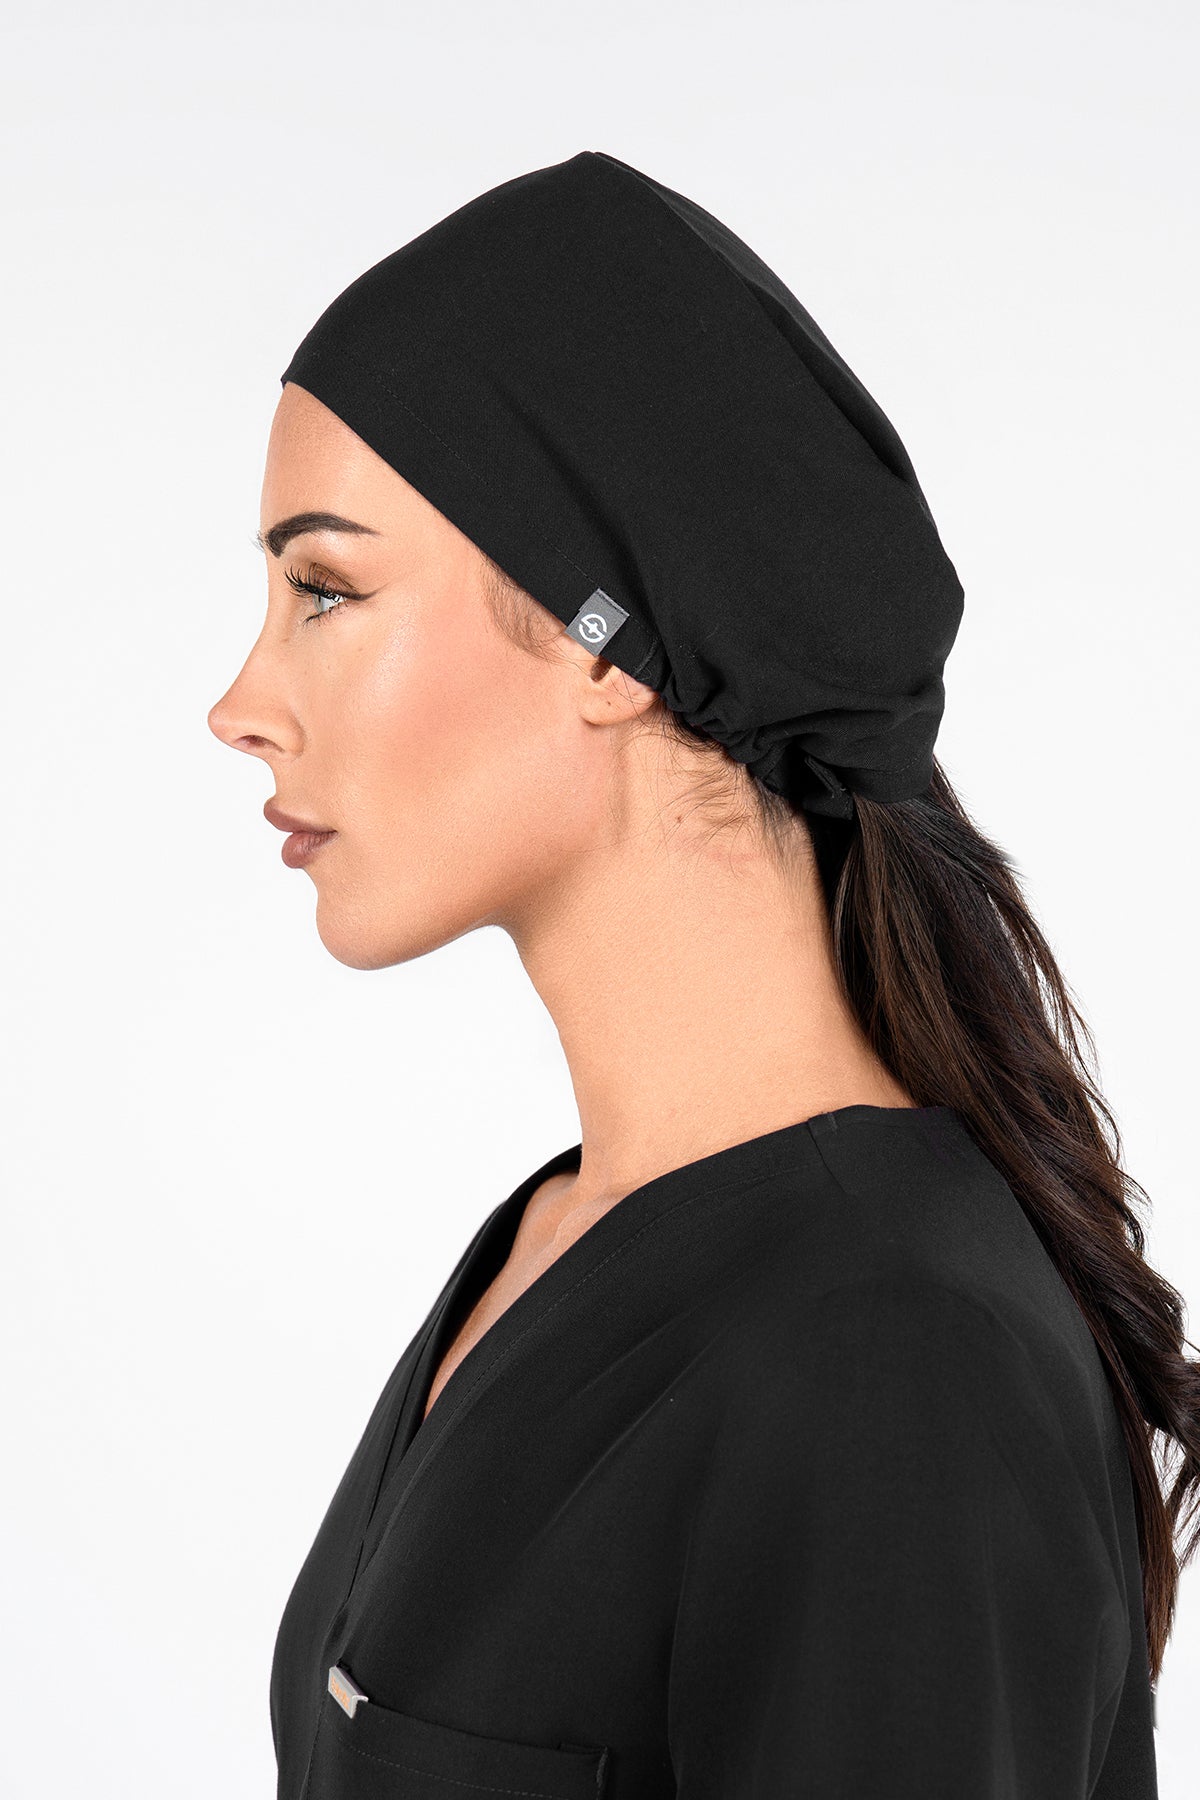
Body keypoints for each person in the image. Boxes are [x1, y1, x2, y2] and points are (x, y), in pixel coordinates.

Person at [207, 151, 1191, 1799]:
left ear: (608, 643)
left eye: (326, 589)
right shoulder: (556, 1243)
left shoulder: (893, 1364)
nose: (240, 703)